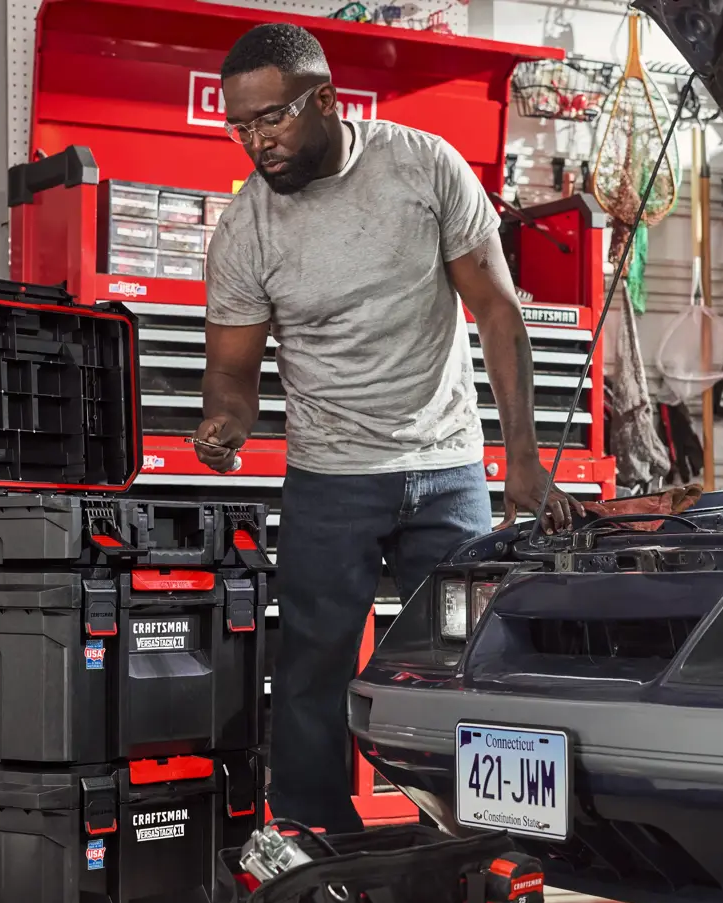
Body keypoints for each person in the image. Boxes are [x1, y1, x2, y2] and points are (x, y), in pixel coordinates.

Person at [193, 22, 579, 834]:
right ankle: (314, 845)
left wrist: (524, 460)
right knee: (311, 671)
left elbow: (498, 312)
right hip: (330, 478)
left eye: (272, 119)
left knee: (480, 664)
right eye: (241, 126)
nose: (255, 142)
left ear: (326, 99)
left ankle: (491, 839)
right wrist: (223, 426)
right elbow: (232, 378)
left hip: (445, 468)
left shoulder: (421, 167)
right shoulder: (246, 230)